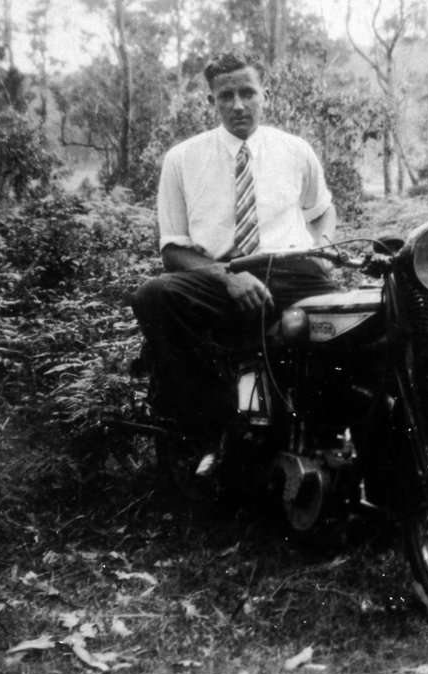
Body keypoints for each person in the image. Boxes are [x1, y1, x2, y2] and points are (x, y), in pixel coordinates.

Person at [131, 53, 338, 462]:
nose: (238, 104)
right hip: (219, 277)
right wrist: (227, 276)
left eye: (248, 93)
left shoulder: (295, 150)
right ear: (212, 101)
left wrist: (325, 247)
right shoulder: (182, 159)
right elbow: (173, 248)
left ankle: (349, 436)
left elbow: (322, 210)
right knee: (153, 295)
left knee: (361, 318)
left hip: (292, 270)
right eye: (226, 95)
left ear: (266, 95)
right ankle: (217, 428)